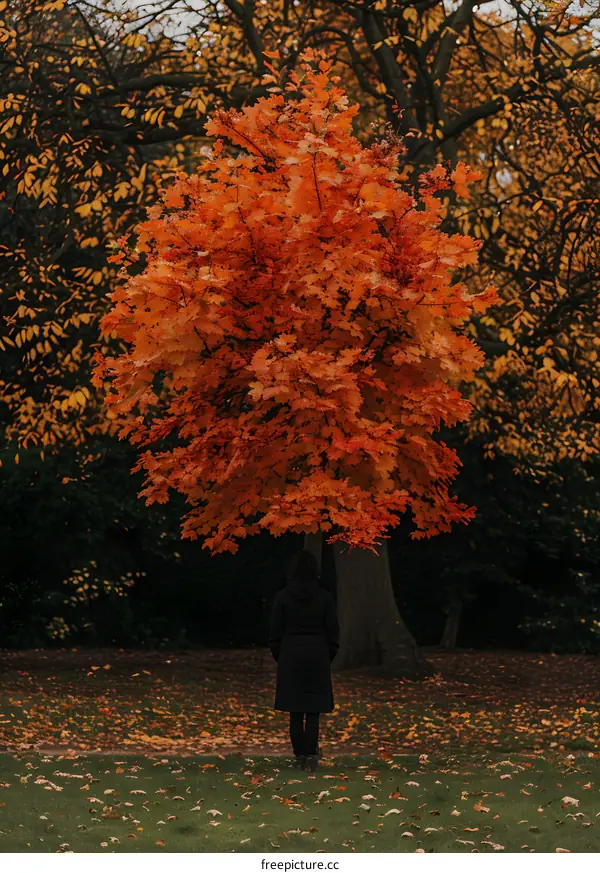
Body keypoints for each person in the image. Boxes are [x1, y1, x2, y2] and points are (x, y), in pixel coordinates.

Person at [268, 549, 340, 772]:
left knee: (295, 710)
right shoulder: (324, 597)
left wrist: (282, 655)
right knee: (314, 709)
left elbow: (275, 633)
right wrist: (327, 653)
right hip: (317, 653)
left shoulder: (282, 597)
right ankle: (311, 754)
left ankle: (299, 754)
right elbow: (333, 632)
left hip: (291, 653)